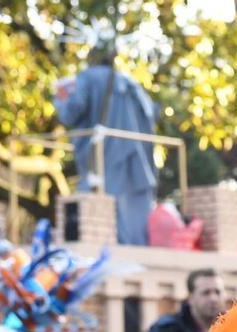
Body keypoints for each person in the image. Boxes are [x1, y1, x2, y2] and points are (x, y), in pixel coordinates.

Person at [52, 38, 158, 245]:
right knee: (132, 207)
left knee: (99, 200)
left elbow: (71, 113)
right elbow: (152, 112)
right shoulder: (130, 83)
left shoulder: (87, 78)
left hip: (104, 155)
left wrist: (60, 100)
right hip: (135, 154)